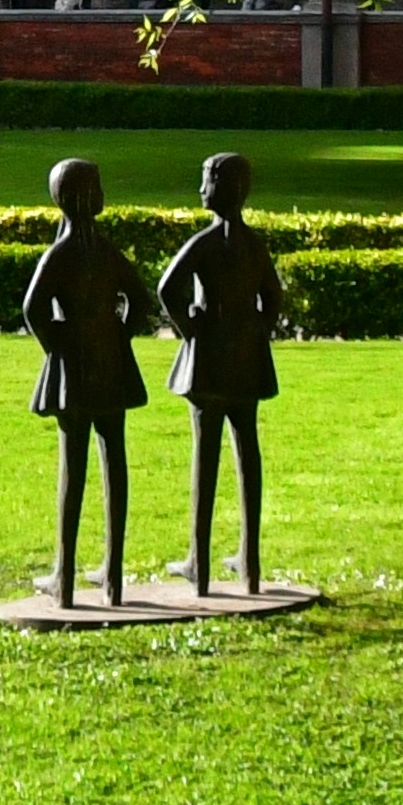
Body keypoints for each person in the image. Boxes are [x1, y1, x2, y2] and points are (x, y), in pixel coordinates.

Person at [19, 157, 149, 607]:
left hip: (74, 370)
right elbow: (141, 302)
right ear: (84, 198)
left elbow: (33, 310)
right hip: (109, 366)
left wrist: (60, 344)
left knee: (73, 471)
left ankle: (67, 577)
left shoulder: (62, 254)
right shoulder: (106, 251)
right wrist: (116, 334)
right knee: (114, 462)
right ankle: (109, 577)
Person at [158, 151, 288, 595]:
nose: (200, 190)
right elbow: (273, 297)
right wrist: (255, 331)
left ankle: (201, 562)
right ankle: (248, 562)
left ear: (223, 187)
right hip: (245, 360)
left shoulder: (206, 244)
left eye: (206, 181)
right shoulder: (253, 246)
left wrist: (192, 327)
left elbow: (166, 288)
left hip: (210, 358)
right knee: (247, 453)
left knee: (206, 458)